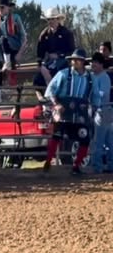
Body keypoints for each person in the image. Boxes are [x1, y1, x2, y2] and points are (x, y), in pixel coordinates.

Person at [42, 47, 93, 175]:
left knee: (85, 138)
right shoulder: (63, 74)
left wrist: (93, 108)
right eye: (73, 59)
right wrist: (56, 104)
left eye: (77, 60)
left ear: (83, 62)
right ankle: (48, 162)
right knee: (56, 136)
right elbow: (50, 90)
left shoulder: (89, 78)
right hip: (64, 111)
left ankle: (76, 166)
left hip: (80, 113)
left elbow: (92, 95)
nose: (74, 62)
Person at [34, 7, 75, 88]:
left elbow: (72, 51)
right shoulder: (44, 34)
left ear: (58, 19)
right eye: (49, 19)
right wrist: (40, 65)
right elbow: (40, 53)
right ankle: (47, 93)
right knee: (37, 79)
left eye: (53, 19)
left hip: (64, 63)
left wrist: (59, 55)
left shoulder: (67, 33)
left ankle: (53, 91)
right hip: (49, 63)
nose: (51, 21)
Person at [89, 51, 113, 174]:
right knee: (108, 140)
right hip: (104, 110)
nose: (93, 64)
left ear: (101, 64)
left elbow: (102, 94)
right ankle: (110, 165)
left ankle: (97, 166)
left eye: (96, 62)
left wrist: (93, 93)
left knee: (99, 140)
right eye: (93, 62)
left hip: (102, 110)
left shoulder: (103, 77)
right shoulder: (99, 76)